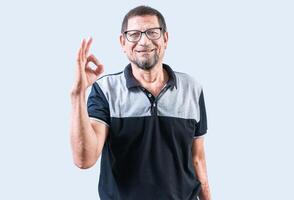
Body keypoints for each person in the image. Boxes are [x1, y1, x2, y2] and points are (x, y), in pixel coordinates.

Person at [70, 5, 211, 200]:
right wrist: (77, 95)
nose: (144, 41)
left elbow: (198, 159)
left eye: (153, 32)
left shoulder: (192, 89)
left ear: (165, 39)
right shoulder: (105, 90)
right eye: (134, 34)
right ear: (123, 42)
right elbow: (84, 160)